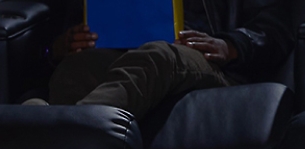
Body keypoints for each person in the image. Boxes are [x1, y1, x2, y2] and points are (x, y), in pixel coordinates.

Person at [35, 0, 292, 121]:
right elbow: (64, 26)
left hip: (212, 63)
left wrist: (230, 45)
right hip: (123, 53)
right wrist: (62, 45)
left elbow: (276, 28)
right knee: (77, 67)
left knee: (158, 56)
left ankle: (59, 134)